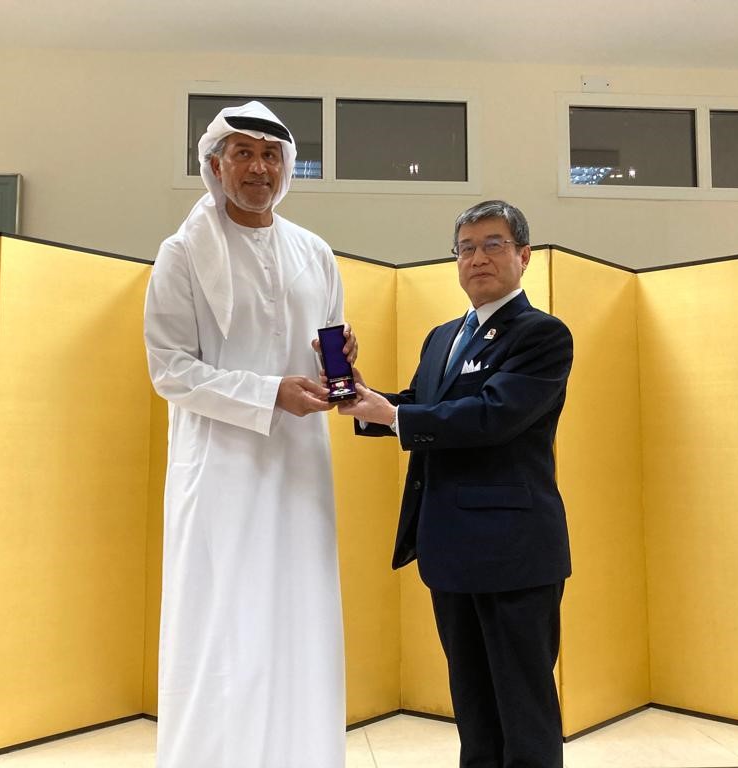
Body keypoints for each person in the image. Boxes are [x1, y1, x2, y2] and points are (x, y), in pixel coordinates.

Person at [144, 101, 355, 768]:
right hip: (221, 471)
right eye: (243, 152)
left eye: (271, 154)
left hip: (299, 467)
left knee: (299, 615)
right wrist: (269, 393)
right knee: (223, 622)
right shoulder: (182, 255)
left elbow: (330, 349)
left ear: (286, 169)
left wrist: (339, 366)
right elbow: (170, 370)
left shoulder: (314, 252)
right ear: (214, 166)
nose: (259, 166)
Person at [339, 199, 573, 768]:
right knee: (472, 704)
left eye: (493, 244)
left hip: (515, 553)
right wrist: (364, 400)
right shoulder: (443, 336)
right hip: (449, 550)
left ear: (524, 256)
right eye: (466, 248)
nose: (478, 258)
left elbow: (492, 415)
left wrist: (397, 418)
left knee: (524, 707)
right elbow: (420, 407)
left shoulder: (542, 334)